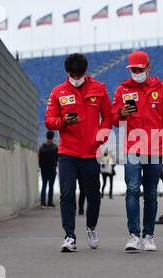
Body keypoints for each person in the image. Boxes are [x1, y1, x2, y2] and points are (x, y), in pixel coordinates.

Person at [112, 50, 163, 252]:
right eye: (133, 69)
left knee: (151, 193)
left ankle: (149, 235)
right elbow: (114, 118)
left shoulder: (162, 89)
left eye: (139, 69)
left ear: (148, 68)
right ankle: (134, 235)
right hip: (132, 148)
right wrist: (121, 113)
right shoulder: (122, 90)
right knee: (133, 189)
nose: (136, 72)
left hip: (155, 148)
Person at [45, 53, 112, 252]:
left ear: (84, 72)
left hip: (91, 152)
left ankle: (91, 227)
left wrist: (101, 138)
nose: (76, 78)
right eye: (72, 75)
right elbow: (49, 119)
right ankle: (70, 236)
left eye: (79, 74)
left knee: (94, 195)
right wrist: (63, 121)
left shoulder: (98, 89)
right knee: (66, 194)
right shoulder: (58, 92)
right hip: (67, 152)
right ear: (68, 73)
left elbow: (108, 116)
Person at [38, 131, 58, 208]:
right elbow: (57, 159)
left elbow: (39, 158)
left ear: (46, 137)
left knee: (44, 185)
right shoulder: (55, 147)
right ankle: (50, 202)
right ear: (53, 137)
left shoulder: (42, 147)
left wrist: (41, 166)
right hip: (52, 169)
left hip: (43, 169)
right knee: (51, 186)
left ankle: (43, 203)